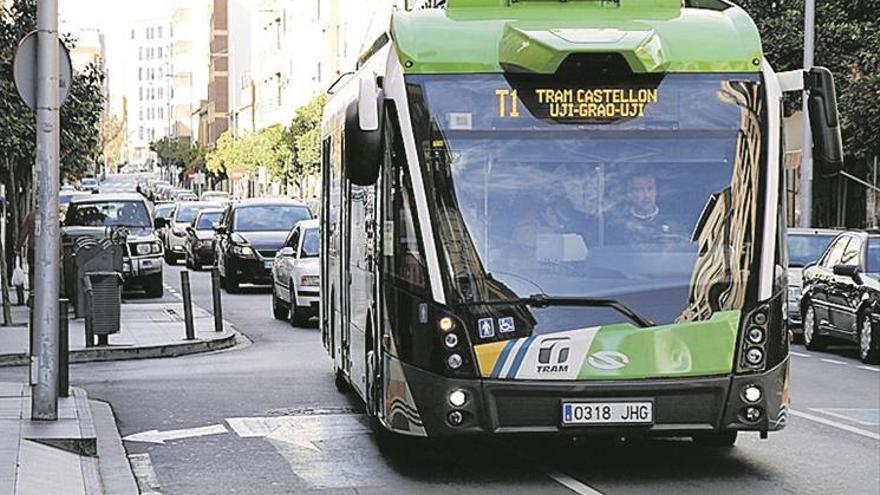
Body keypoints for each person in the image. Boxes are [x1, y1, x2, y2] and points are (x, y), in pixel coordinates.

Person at [608, 173, 682, 245]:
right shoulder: (620, 225)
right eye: (639, 190)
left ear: (656, 191)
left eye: (650, 189)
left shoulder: (672, 224)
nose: (646, 195)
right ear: (630, 194)